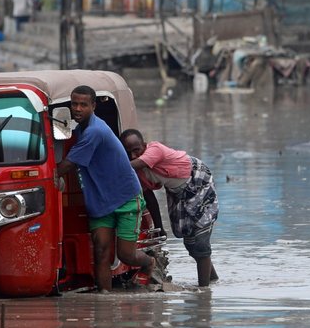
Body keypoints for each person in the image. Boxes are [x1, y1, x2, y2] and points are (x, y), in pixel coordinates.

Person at [55, 86, 157, 291]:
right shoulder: (80, 129)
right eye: (74, 104)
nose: (78, 108)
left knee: (126, 254)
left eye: (83, 104)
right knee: (100, 251)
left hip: (125, 196)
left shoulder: (95, 131)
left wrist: (46, 175)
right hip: (101, 200)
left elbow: (68, 165)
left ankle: (149, 263)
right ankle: (104, 297)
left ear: (93, 106)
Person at [120, 129, 219, 287]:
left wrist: (112, 164)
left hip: (198, 181)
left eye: (136, 150)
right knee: (191, 243)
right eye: (127, 152)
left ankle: (204, 292)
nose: (132, 155)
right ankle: (213, 279)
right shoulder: (137, 173)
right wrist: (159, 226)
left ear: (144, 146)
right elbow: (150, 199)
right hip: (177, 193)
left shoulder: (155, 150)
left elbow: (133, 165)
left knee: (200, 240)